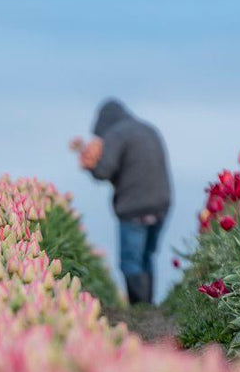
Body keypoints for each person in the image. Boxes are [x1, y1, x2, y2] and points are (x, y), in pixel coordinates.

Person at [73, 99, 172, 306]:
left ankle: (139, 306)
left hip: (134, 207)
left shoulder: (115, 134)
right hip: (161, 203)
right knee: (147, 256)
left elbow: (103, 171)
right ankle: (149, 306)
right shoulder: (147, 129)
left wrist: (88, 164)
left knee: (130, 261)